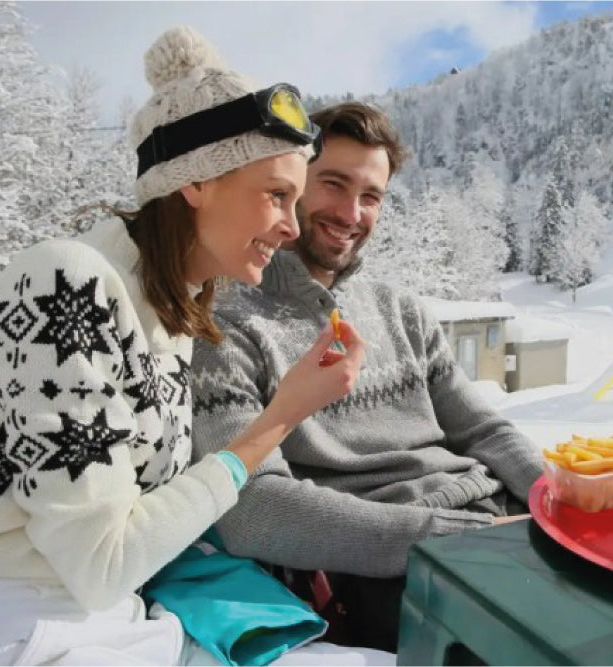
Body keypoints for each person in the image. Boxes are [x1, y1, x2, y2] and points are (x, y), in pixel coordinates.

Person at [0, 26, 391, 666]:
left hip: (120, 617)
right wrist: (280, 418)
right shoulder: (65, 282)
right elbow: (101, 562)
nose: (291, 225)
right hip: (26, 626)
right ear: (196, 183)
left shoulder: (173, 305)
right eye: (276, 195)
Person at [190, 102, 543, 652]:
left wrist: (554, 495)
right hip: (391, 561)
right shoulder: (226, 328)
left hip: (497, 520)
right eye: (333, 184)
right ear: (291, 185)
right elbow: (252, 508)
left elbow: (482, 430)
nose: (352, 212)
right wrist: (457, 543)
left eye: (371, 196)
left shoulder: (401, 311)